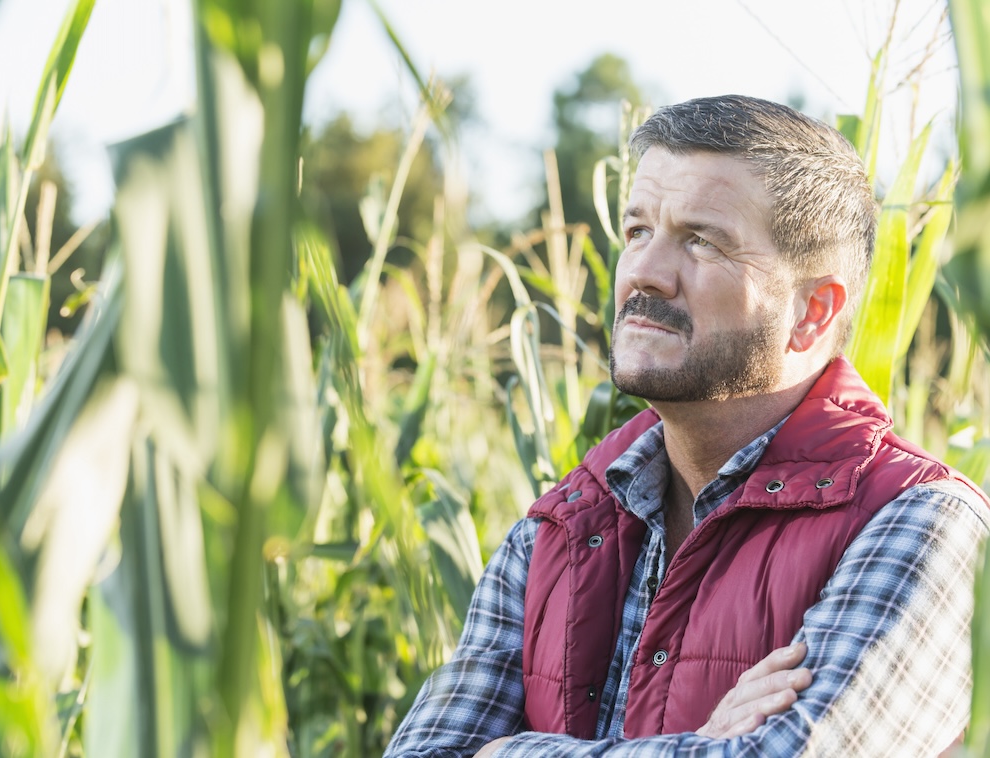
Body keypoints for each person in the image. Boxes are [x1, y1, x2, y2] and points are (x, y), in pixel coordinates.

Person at [384, 94, 990, 757]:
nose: (643, 272)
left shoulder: (925, 526)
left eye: (701, 240)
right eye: (638, 230)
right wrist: (701, 745)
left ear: (812, 311)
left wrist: (502, 754)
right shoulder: (552, 534)